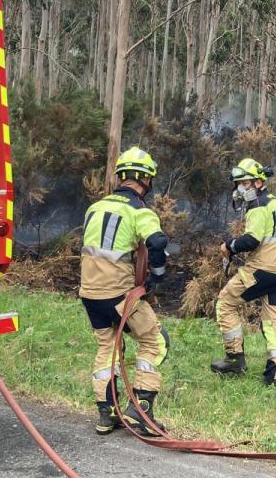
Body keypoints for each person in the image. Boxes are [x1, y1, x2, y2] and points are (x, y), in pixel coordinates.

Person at [80, 146, 170, 436]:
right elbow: (157, 242)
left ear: (120, 177)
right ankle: (141, 410)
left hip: (90, 294)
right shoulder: (139, 210)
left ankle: (107, 413)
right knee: (155, 340)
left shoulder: (95, 207)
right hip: (119, 295)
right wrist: (156, 278)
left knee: (108, 346)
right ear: (147, 180)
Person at [211, 158, 276, 385]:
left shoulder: (257, 206)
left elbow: (252, 240)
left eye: (244, 183)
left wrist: (229, 245)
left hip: (262, 270)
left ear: (258, 182)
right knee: (273, 320)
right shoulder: (274, 202)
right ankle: (275, 375)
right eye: (238, 183)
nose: (240, 188)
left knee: (225, 302)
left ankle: (235, 359)